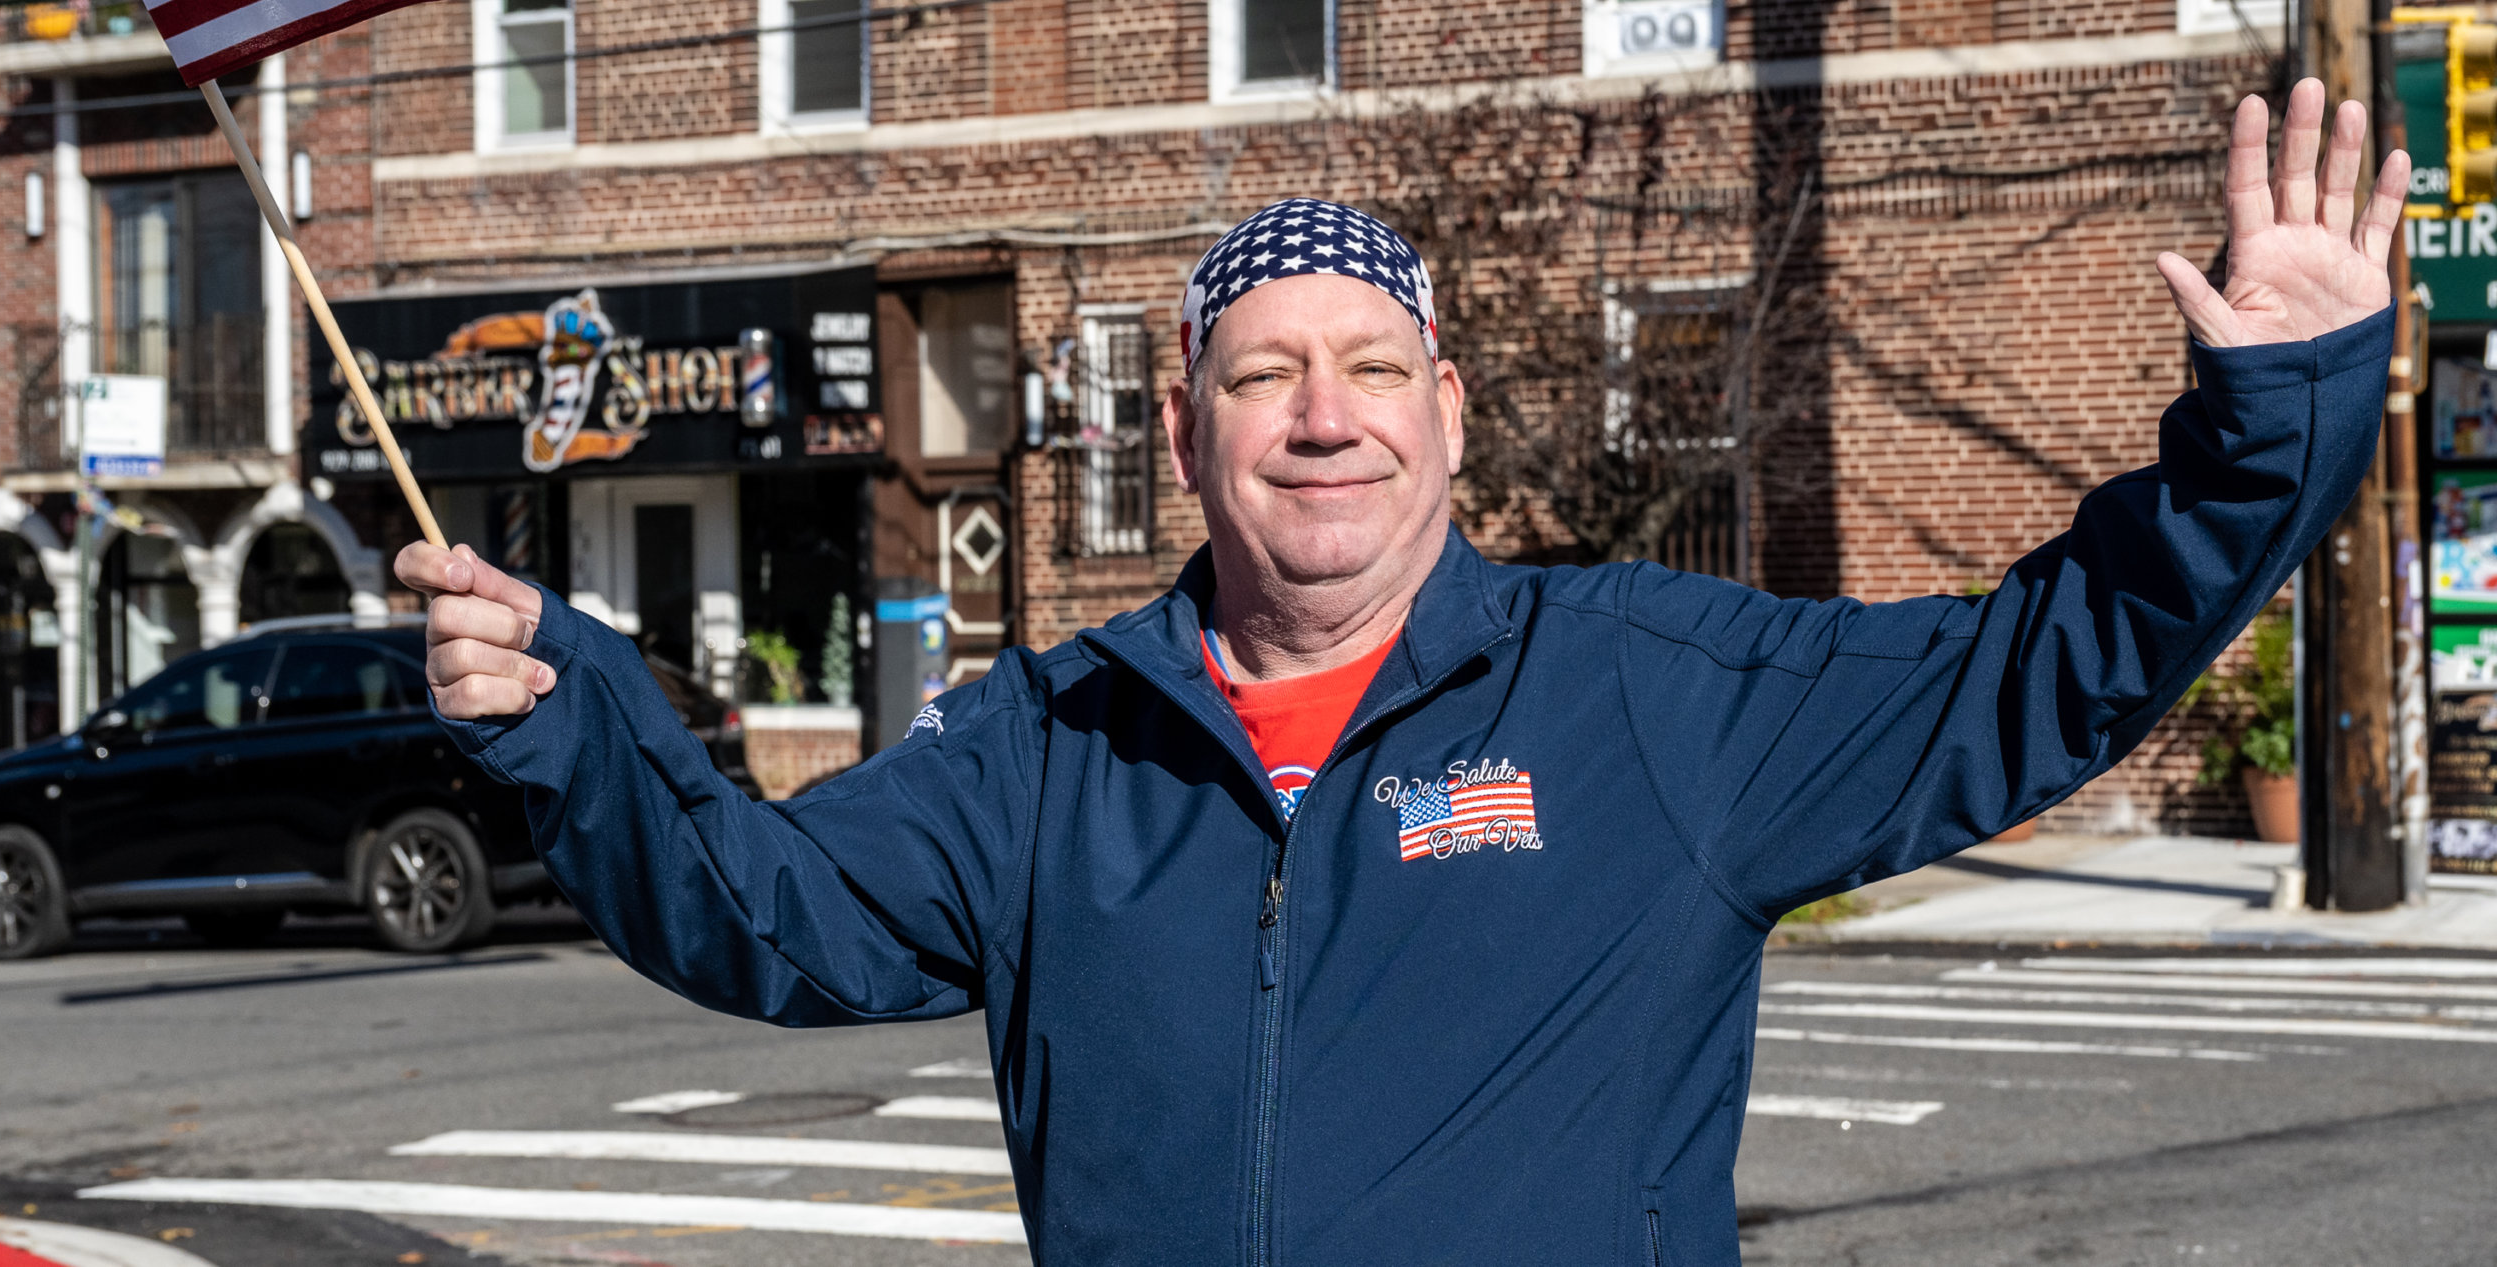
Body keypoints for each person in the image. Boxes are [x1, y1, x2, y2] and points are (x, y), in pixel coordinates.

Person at [399, 79, 2402, 1267]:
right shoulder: (1044, 741)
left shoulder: (1643, 688)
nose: (1317, 415)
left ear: (1445, 413)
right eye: (1258, 374)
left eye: (1367, 366)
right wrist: (568, 705)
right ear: (1180, 441)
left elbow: (2049, 664)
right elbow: (764, 918)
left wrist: (2276, 408)